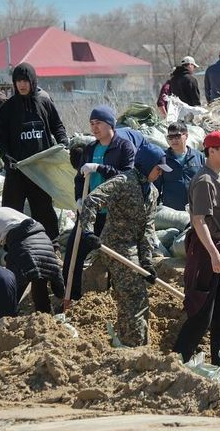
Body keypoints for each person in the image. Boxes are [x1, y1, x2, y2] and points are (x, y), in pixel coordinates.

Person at [73, 143, 168, 345]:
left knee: (134, 295)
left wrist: (147, 261)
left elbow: (147, 229)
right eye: (158, 168)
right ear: (147, 165)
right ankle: (133, 344)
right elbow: (92, 200)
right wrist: (88, 231)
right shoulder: (123, 182)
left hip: (133, 247)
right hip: (114, 245)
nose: (160, 173)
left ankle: (138, 342)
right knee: (134, 294)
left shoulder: (152, 193)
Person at [172, 131, 220, 362]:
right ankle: (177, 361)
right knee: (202, 314)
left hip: (219, 248)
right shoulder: (205, 180)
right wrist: (213, 255)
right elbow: (198, 220)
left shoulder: (216, 176)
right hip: (207, 251)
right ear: (211, 151)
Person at [0, 63, 68, 239]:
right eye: (18, 81)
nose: (22, 85)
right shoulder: (7, 108)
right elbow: (0, 139)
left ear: (33, 81)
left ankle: (52, 244)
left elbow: (57, 126)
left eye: (26, 80)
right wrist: (7, 158)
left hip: (40, 168)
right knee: (11, 211)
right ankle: (11, 247)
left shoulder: (44, 102)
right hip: (17, 169)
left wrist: (63, 142)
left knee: (43, 209)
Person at [73, 105, 136, 235]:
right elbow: (79, 178)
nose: (94, 127)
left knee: (108, 252)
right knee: (74, 251)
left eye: (99, 123)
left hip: (114, 212)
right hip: (90, 211)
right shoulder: (89, 149)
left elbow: (128, 177)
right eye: (92, 124)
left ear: (110, 124)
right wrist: (79, 198)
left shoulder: (124, 147)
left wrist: (99, 168)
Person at [155, 122, 204, 212]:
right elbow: (157, 185)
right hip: (172, 210)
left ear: (186, 136)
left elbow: (204, 182)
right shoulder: (163, 158)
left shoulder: (198, 156)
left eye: (177, 136)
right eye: (170, 137)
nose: (173, 140)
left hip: (195, 209)